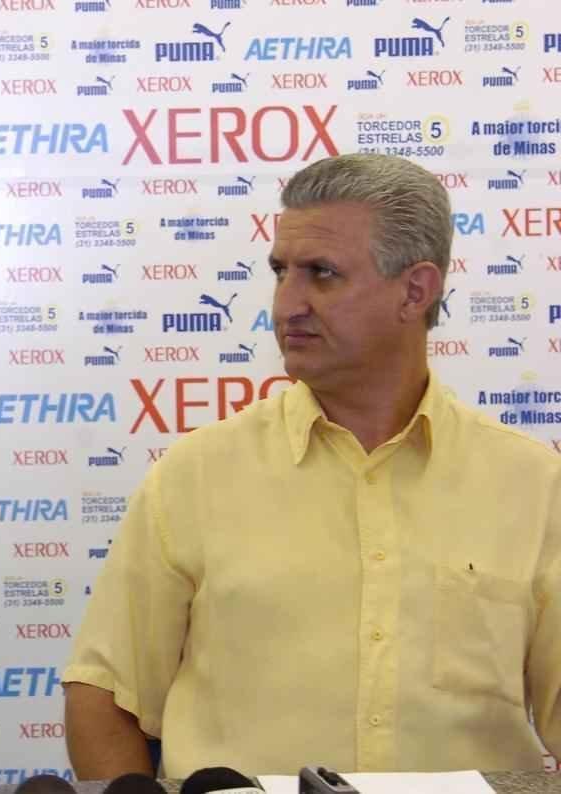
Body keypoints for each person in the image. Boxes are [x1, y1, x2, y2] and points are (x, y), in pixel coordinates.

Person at [62, 153, 561, 777]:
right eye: (280, 272)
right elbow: (106, 695)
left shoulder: (533, 486)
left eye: (321, 274)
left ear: (415, 290)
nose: (287, 303)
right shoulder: (196, 475)